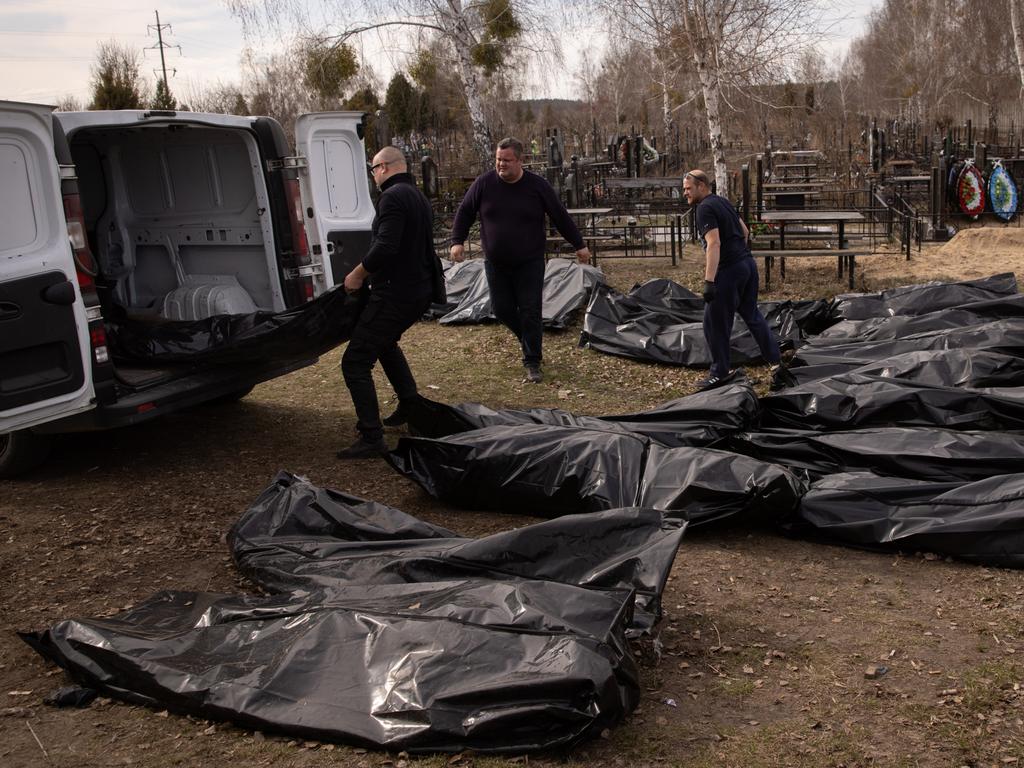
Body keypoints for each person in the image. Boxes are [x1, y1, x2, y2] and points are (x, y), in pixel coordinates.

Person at [450, 137, 591, 384]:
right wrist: (457, 240)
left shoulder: (537, 186)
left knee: (530, 310)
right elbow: (465, 211)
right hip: (496, 264)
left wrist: (579, 245)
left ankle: (532, 361)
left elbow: (559, 215)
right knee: (501, 309)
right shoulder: (484, 184)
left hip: (530, 262)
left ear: (520, 160)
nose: (501, 165)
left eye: (506, 160)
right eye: (498, 159)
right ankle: (528, 338)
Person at [336, 146, 437, 459]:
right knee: (385, 344)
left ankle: (371, 436)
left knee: (355, 361)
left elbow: (386, 247)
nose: (372, 174)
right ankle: (410, 405)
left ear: (385, 168)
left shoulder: (392, 198)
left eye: (373, 168)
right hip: (418, 289)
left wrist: (356, 274)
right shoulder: (416, 195)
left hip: (396, 292)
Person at [682, 169, 781, 390]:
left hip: (729, 272)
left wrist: (710, 281)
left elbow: (714, 243)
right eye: (684, 189)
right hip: (747, 265)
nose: (685, 193)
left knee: (714, 322)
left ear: (702, 186)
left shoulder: (705, 208)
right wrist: (739, 255)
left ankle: (720, 373)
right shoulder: (722, 202)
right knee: (752, 314)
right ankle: (776, 362)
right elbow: (744, 231)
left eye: (688, 189)